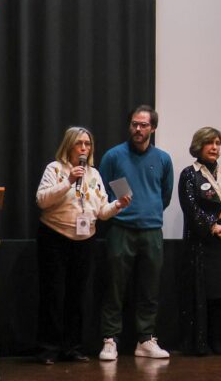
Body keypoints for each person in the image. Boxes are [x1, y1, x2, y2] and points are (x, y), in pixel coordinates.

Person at [35, 126, 131, 365]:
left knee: (77, 296)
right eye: (79, 144)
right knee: (54, 295)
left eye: (88, 144)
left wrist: (118, 204)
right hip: (55, 237)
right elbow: (42, 200)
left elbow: (102, 212)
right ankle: (49, 349)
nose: (84, 148)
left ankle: (73, 347)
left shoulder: (95, 174)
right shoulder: (55, 168)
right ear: (69, 145)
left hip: (85, 239)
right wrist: (69, 181)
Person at [97, 105, 174, 360]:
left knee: (149, 289)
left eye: (143, 125)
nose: (137, 129)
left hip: (152, 231)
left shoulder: (163, 158)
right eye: (134, 124)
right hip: (121, 229)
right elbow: (103, 191)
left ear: (153, 128)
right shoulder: (113, 156)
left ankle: (145, 340)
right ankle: (110, 339)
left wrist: (146, 211)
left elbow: (164, 196)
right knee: (115, 288)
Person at [178, 127, 221, 355]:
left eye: (217, 143)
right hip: (202, 243)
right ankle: (200, 341)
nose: (215, 147)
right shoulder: (189, 173)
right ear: (199, 146)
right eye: (210, 143)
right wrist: (212, 226)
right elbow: (190, 208)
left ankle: (219, 340)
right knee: (202, 293)